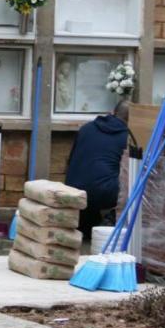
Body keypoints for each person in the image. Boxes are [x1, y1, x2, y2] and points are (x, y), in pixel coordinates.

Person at [64, 101, 130, 239]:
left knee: (93, 179)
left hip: (74, 188)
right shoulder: (127, 138)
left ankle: (88, 224)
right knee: (135, 179)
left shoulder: (86, 128)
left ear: (112, 111)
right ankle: (111, 220)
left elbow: (70, 161)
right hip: (104, 194)